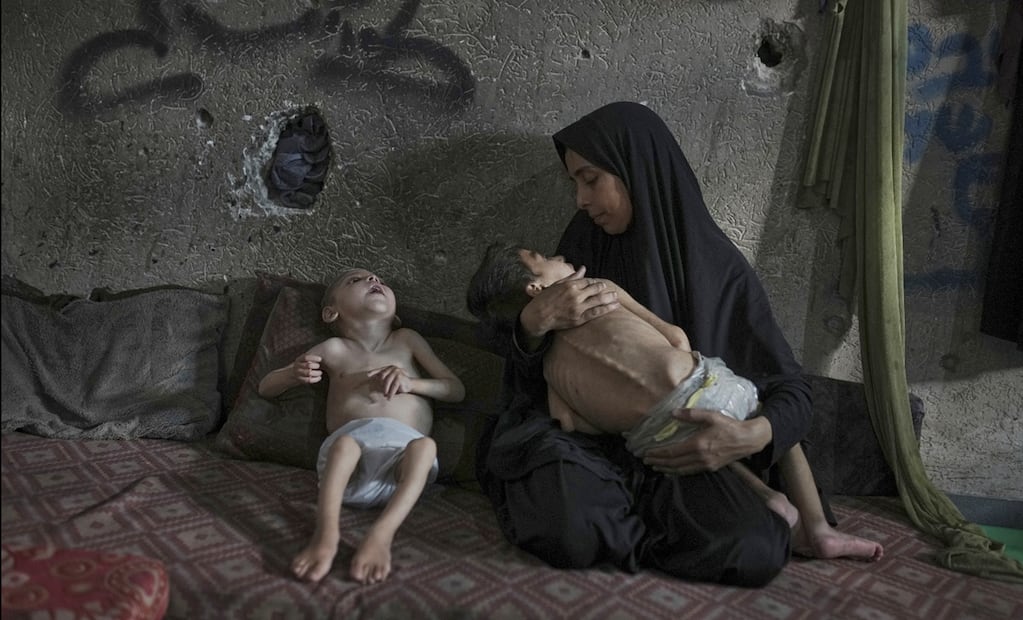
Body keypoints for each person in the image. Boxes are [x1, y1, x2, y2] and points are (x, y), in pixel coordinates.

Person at [474, 101, 846, 587]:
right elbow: (519, 360)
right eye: (575, 184)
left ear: (637, 169)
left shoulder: (721, 272)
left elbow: (788, 388)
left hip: (681, 450)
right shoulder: (581, 248)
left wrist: (754, 435)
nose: (581, 200)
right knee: (569, 520)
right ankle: (635, 532)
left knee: (755, 545)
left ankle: (630, 533)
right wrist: (531, 324)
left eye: (591, 180)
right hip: (594, 445)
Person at [468, 243, 883, 562]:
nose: (561, 255)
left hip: (652, 435)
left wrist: (619, 417)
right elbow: (677, 336)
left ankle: (767, 497)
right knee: (766, 407)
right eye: (545, 258)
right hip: (706, 388)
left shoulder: (548, 369)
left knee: (698, 438)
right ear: (536, 289)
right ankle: (817, 526)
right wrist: (677, 363)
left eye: (591, 180)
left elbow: (571, 422)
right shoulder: (603, 289)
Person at [259, 268, 465, 584]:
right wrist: (291, 375)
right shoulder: (334, 349)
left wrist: (411, 384)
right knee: (344, 446)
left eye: (380, 280)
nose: (373, 281)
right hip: (348, 471)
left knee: (426, 447)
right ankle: (326, 535)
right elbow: (266, 387)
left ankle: (381, 535)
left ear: (395, 315)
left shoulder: (406, 340)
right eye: (356, 280)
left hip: (401, 469)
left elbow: (455, 389)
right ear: (331, 312)